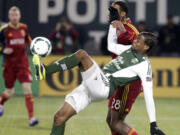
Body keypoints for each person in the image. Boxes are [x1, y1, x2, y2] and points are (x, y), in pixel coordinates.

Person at [33, 22, 165, 135]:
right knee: (59, 117)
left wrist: (153, 123)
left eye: (138, 40)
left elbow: (149, 95)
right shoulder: (128, 49)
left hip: (104, 86)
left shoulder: (144, 65)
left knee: (82, 55)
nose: (134, 41)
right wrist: (112, 25)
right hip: (92, 85)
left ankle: (44, 71)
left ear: (146, 47)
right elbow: (111, 46)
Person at [107, 2, 142, 135]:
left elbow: (140, 46)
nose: (111, 13)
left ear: (123, 14)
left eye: (115, 10)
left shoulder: (129, 28)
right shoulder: (114, 27)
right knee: (110, 120)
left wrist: (124, 31)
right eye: (110, 10)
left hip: (129, 81)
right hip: (119, 79)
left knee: (117, 122)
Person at [0, 6, 38, 126]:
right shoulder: (4, 30)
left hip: (22, 63)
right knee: (9, 92)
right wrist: (3, 50)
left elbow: (27, 39)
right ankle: (1, 103)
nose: (15, 17)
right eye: (12, 15)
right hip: (9, 65)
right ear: (9, 16)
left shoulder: (24, 28)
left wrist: (34, 46)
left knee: (27, 88)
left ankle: (31, 118)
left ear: (19, 16)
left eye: (16, 15)